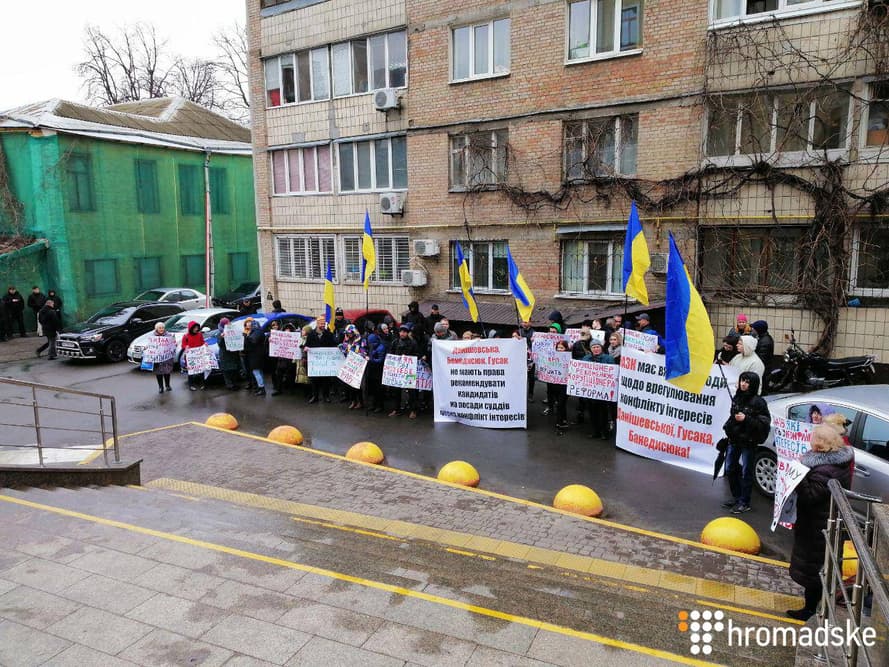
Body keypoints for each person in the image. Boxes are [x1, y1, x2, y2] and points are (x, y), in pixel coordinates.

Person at [787, 425, 853, 621]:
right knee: (822, 568)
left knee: (814, 571)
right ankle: (816, 607)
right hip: (824, 524)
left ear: (820, 443)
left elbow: (809, 495)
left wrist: (798, 474)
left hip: (817, 528)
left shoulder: (824, 470)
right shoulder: (838, 462)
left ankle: (810, 610)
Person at [721, 372, 771, 514]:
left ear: (753, 384)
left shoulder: (759, 402)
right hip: (734, 439)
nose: (743, 384)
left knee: (746, 472)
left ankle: (744, 501)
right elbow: (733, 416)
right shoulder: (737, 397)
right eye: (742, 380)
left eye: (747, 382)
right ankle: (737, 497)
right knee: (730, 468)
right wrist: (729, 426)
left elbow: (764, 423)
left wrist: (746, 419)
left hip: (748, 442)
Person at [582, 340, 616, 439]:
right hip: (590, 391)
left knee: (603, 413)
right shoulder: (586, 358)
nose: (596, 349)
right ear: (590, 349)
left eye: (597, 347)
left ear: (601, 347)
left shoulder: (608, 358)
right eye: (593, 347)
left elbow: (612, 374)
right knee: (592, 412)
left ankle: (604, 432)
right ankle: (595, 431)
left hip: (603, 392)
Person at [389, 324, 419, 418]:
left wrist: (408, 358)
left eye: (404, 332)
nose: (402, 333)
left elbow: (417, 354)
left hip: (409, 371)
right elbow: (391, 354)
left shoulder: (413, 343)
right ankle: (396, 409)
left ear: (407, 333)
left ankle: (413, 410)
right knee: (396, 391)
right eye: (401, 331)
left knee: (411, 392)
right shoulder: (395, 342)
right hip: (398, 372)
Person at [304, 316, 336, 403]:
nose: (322, 325)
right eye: (321, 324)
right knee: (314, 380)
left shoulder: (328, 334)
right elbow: (307, 345)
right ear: (317, 324)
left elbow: (333, 345)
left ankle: (326, 396)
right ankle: (315, 396)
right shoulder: (311, 334)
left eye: (323, 324)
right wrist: (306, 348)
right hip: (315, 362)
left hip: (325, 362)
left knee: (326, 380)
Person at [339, 324, 367, 409]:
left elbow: (364, 351)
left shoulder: (361, 340)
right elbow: (344, 352)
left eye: (350, 333)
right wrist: (341, 347)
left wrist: (361, 354)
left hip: (358, 365)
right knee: (350, 385)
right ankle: (353, 401)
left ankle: (360, 402)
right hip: (349, 366)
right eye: (347, 333)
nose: (349, 334)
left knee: (357, 385)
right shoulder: (347, 341)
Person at [545, 339, 571, 429]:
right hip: (554, 384)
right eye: (558, 348)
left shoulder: (570, 358)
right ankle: (563, 420)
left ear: (566, 348)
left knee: (561, 403)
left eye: (562, 347)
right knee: (560, 404)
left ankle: (559, 422)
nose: (559, 349)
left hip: (564, 385)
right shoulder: (552, 357)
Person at [365, 323, 389, 413]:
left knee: (379, 389)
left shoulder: (381, 347)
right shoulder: (372, 346)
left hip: (378, 370)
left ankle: (380, 405)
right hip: (372, 370)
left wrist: (371, 359)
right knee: (373, 388)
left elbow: (380, 360)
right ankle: (373, 404)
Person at [271, 322, 298, 396]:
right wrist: (271, 341)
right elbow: (275, 345)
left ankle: (291, 389)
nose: (287, 331)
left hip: (290, 360)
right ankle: (278, 389)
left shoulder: (295, 338)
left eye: (288, 330)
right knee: (279, 375)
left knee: (291, 376)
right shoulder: (280, 337)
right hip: (281, 359)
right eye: (286, 330)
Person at [216, 317, 241, 391]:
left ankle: (234, 384)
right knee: (227, 372)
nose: (229, 324)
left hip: (233, 354)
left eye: (229, 322)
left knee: (234, 370)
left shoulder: (233, 330)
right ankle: (230, 385)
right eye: (227, 323)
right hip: (225, 355)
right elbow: (220, 344)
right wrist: (222, 337)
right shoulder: (220, 333)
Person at [244, 318, 268, 396]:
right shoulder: (259, 331)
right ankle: (261, 387)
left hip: (255, 355)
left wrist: (247, 337)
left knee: (256, 372)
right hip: (258, 355)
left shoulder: (256, 332)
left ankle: (261, 388)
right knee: (259, 372)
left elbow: (253, 341)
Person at [149, 322, 175, 393]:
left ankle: (167, 385)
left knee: (167, 372)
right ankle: (160, 387)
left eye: (162, 328)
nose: (161, 329)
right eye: (160, 328)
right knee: (158, 373)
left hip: (166, 358)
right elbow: (149, 346)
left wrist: (174, 343)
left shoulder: (168, 335)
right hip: (157, 358)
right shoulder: (152, 337)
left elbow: (173, 345)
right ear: (156, 328)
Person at [181, 321, 207, 391]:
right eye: (194, 328)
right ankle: (191, 385)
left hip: (199, 355)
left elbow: (202, 342)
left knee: (201, 370)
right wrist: (186, 347)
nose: (196, 329)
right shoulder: (186, 336)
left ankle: (202, 384)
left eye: (197, 327)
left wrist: (205, 344)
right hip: (190, 357)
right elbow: (183, 345)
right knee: (191, 372)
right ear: (191, 328)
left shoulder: (199, 334)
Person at [751, 320, 775, 392]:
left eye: (754, 329)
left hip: (764, 372)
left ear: (758, 330)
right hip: (764, 371)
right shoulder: (763, 338)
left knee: (762, 390)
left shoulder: (765, 342)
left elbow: (762, 359)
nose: (752, 330)